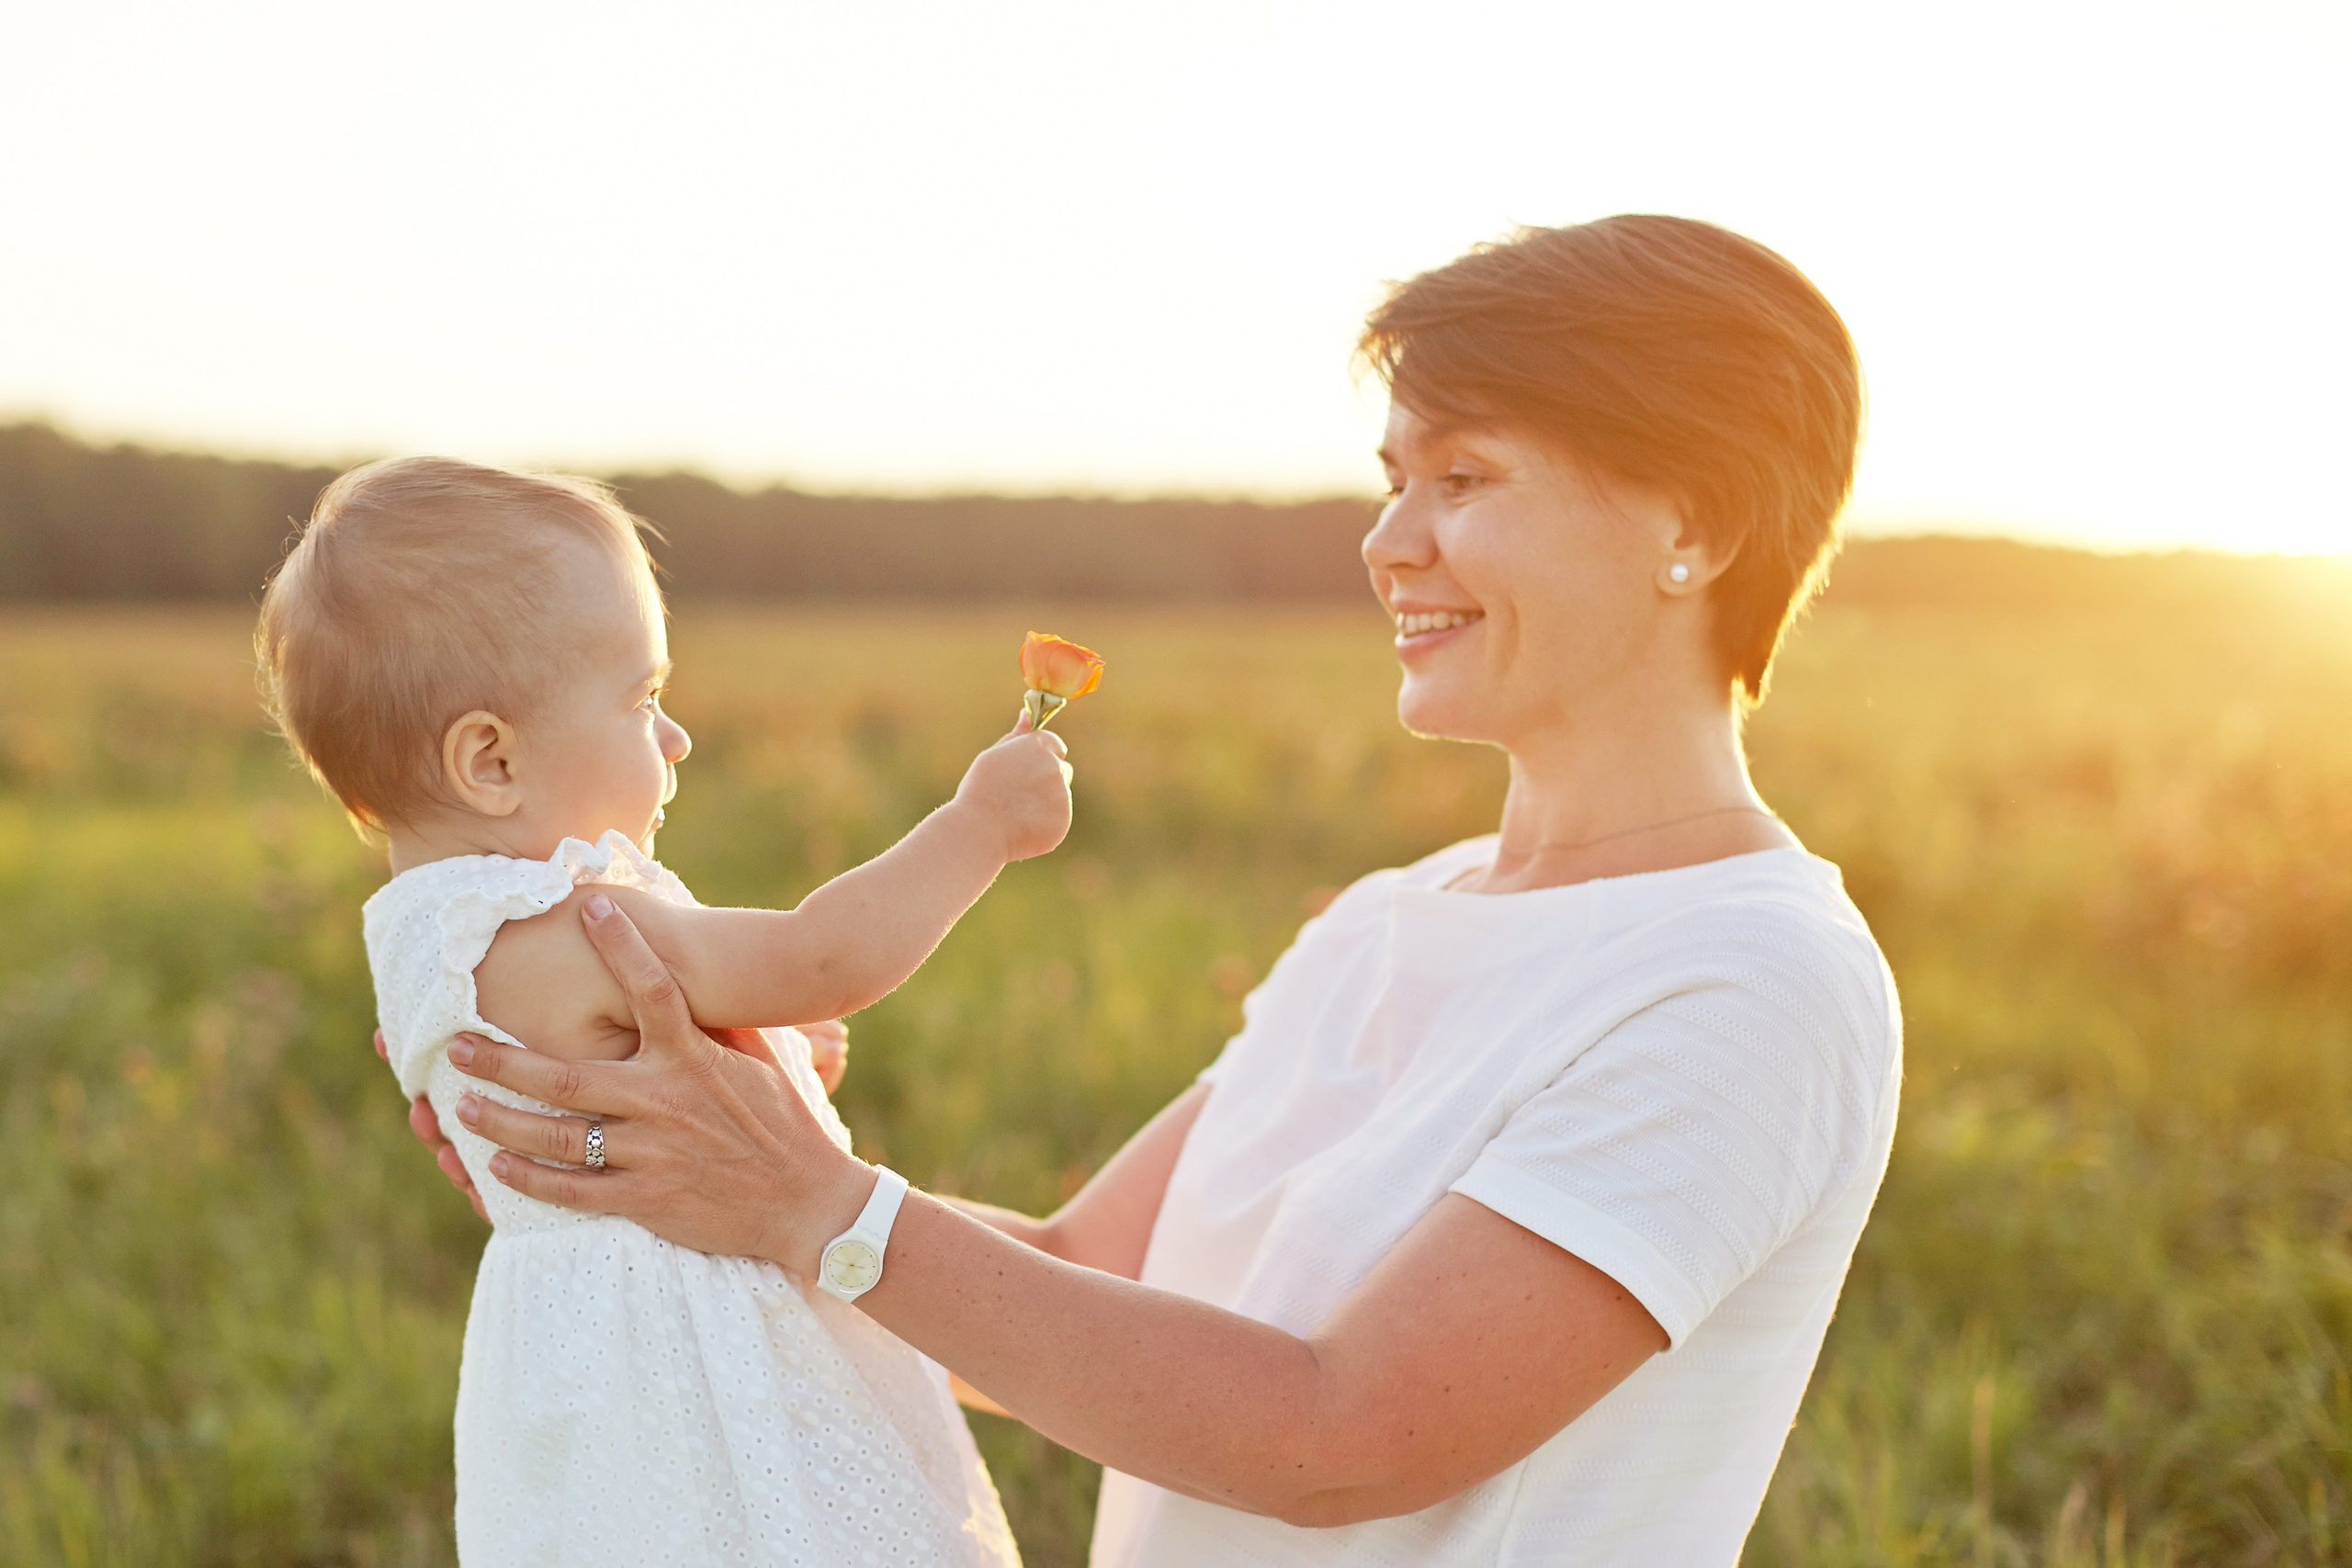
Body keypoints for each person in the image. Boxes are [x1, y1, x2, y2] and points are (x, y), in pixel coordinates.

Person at [424, 214, 1903, 1566]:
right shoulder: (1387, 919)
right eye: (1396, 481)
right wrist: (657, 1172)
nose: (1392, 542)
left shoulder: (1752, 979)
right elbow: (1067, 1277)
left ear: (1693, 525)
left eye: (1465, 477)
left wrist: (801, 1197)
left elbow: (1336, 1436)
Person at [259, 457, 1074, 1564]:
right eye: (644, 701)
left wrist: (769, 1052)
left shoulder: (423, 933)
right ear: (490, 760)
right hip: (697, 1371)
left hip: (572, 1381)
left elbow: (631, 1075)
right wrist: (979, 825)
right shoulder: (576, 919)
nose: (676, 738)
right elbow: (820, 953)